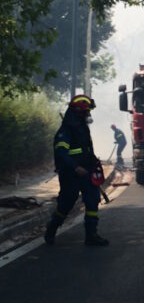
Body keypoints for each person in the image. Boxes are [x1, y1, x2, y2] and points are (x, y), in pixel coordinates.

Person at [44, 95, 109, 246]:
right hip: (70, 174)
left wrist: (93, 162)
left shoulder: (82, 128)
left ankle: (91, 235)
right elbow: (61, 153)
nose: (89, 115)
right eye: (87, 112)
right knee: (67, 203)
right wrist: (75, 167)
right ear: (79, 112)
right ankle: (52, 227)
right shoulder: (66, 130)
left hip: (86, 172)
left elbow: (85, 150)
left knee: (92, 201)